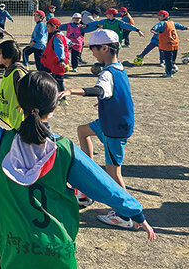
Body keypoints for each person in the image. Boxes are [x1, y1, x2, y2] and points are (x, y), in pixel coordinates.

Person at [0, 63, 155, 268]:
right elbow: (103, 185)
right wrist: (133, 211)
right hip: (59, 255)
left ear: (18, 104)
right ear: (53, 109)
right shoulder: (65, 150)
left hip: (15, 255)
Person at [58, 29, 143, 226]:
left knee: (114, 173)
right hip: (111, 121)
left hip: (114, 128)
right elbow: (118, 92)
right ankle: (88, 181)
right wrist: (106, 101)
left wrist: (71, 91)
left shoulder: (107, 73)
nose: (92, 53)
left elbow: (99, 89)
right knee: (82, 131)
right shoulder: (119, 68)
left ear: (104, 48)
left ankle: (125, 215)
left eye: (94, 49)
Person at [151, 10, 189, 77]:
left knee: (168, 60)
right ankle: (173, 68)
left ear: (164, 16)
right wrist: (185, 28)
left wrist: (153, 29)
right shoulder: (172, 23)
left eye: (159, 16)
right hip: (175, 44)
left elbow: (157, 26)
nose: (158, 17)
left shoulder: (163, 23)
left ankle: (168, 73)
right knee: (172, 59)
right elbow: (179, 25)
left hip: (168, 44)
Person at [40, 18, 69, 103]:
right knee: (54, 79)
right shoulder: (59, 34)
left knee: (58, 81)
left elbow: (59, 49)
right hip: (54, 63)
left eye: (48, 27)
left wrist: (62, 60)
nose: (47, 28)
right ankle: (54, 97)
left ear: (55, 27)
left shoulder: (56, 37)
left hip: (58, 63)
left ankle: (62, 99)